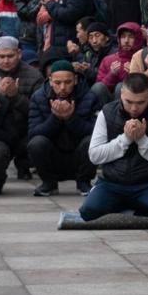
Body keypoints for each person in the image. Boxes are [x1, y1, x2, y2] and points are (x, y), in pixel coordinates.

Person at [78, 73, 148, 221]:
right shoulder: (107, 112)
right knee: (88, 211)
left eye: (140, 102)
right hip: (111, 182)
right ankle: (130, 207)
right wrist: (125, 139)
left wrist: (142, 140)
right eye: (129, 101)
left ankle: (128, 206)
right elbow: (94, 155)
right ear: (121, 94)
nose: (134, 108)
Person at [0, 36, 45, 180]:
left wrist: (15, 97)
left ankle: (24, 165)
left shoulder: (34, 75)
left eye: (10, 56)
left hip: (23, 127)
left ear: (19, 54)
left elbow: (38, 110)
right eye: (1, 56)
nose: (6, 61)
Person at [28, 60, 99, 197]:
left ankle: (84, 182)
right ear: (50, 81)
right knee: (36, 143)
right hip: (53, 154)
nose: (62, 87)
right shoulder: (39, 97)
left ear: (76, 80)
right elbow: (33, 132)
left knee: (92, 141)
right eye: (57, 83)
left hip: (79, 154)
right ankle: (49, 183)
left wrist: (71, 118)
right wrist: (55, 118)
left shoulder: (89, 97)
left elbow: (97, 131)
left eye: (68, 82)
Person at [93, 22, 143, 104]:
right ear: (118, 39)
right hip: (107, 102)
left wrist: (132, 75)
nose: (126, 41)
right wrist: (112, 74)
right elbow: (98, 88)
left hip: (133, 101)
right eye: (123, 37)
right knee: (98, 87)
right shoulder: (108, 59)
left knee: (121, 86)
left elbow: (146, 86)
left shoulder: (143, 57)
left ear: (137, 39)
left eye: (131, 37)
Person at [74, 21, 112, 87]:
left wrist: (89, 70)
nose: (94, 41)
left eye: (97, 36)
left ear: (107, 38)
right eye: (91, 37)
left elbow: (108, 74)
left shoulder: (114, 52)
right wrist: (79, 69)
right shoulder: (88, 53)